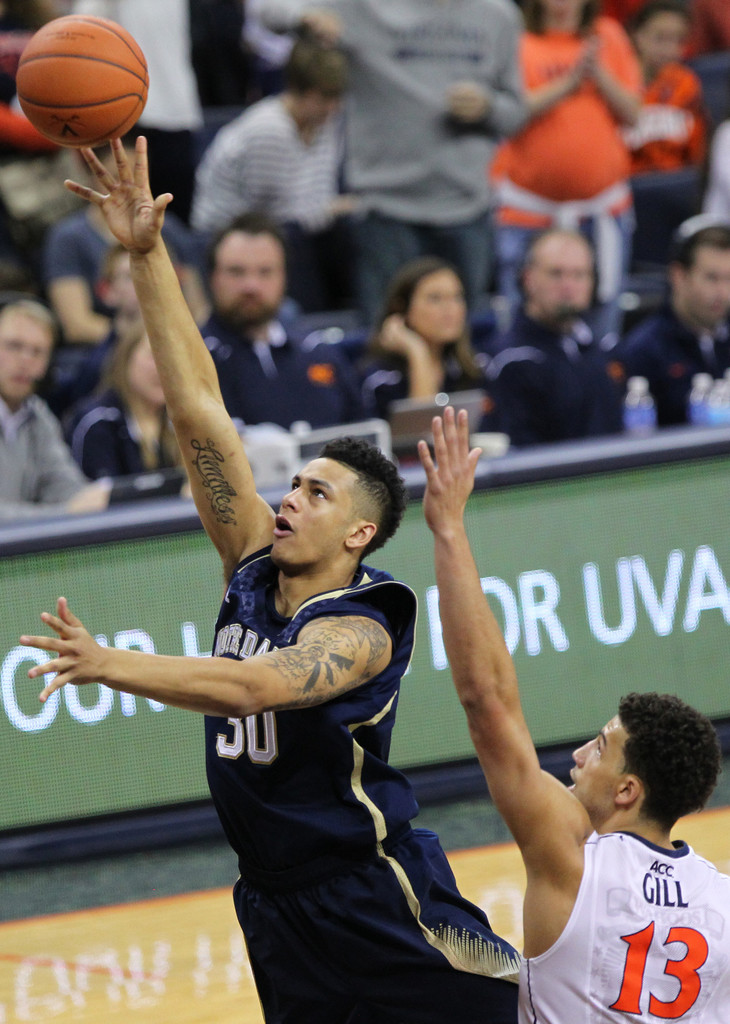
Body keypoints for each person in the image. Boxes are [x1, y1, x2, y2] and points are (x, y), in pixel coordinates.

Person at [20, 135, 522, 1023]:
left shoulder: (363, 625)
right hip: (273, 900)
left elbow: (255, 685)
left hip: (375, 897)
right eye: (293, 482)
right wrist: (147, 256)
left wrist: (109, 664)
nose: (289, 498)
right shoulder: (252, 560)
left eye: (316, 493)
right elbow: (198, 408)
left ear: (359, 531)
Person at [418, 404, 730, 1023]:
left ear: (627, 790)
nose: (577, 758)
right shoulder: (721, 900)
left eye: (600, 746)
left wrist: (449, 528)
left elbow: (487, 703)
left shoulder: (572, 860)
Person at [260, 0, 527, 324]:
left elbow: (516, 113)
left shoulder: (498, 15)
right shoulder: (364, 8)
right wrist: (306, 18)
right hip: (386, 210)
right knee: (386, 345)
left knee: (459, 347)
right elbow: (268, 12)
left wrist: (488, 107)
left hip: (466, 208)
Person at [489, 0, 642, 340]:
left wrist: (598, 73)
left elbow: (634, 112)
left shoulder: (607, 36)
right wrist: (569, 82)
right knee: (521, 321)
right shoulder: (516, 39)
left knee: (602, 327)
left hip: (601, 211)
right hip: (527, 213)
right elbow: (508, 115)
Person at [191, 38, 356, 313]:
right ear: (298, 91)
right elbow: (275, 211)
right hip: (229, 233)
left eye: (337, 98)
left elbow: (317, 196)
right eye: (324, 98)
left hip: (294, 228)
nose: (333, 108)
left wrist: (332, 209)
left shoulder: (327, 123)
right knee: (298, 235)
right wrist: (332, 209)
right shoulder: (268, 130)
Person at [200, 210, 364, 430]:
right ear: (212, 277)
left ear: (284, 277)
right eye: (236, 272)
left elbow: (366, 436)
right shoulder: (194, 361)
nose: (251, 286)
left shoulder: (319, 353)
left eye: (265, 272)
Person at [42, 139, 208, 346]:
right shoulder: (68, 237)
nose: (125, 186)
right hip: (106, 350)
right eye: (115, 175)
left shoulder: (168, 228)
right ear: (93, 176)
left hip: (172, 345)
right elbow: (77, 325)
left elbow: (198, 310)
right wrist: (141, 341)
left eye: (134, 176)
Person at [485, 228, 624, 446]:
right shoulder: (510, 361)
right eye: (556, 273)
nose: (568, 286)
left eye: (579, 274)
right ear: (528, 278)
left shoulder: (603, 350)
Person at [70, 0, 204, 224]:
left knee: (172, 227)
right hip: (127, 114)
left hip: (176, 112)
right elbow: (78, 30)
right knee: (122, 218)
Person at [0, 297, 110, 519]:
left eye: (38, 352)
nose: (25, 360)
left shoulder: (37, 414)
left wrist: (102, 498)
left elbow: (64, 486)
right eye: (14, 346)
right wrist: (63, 513)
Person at [615, 218, 730, 425]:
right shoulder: (643, 351)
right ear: (679, 276)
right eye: (712, 278)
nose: (722, 292)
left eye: (729, 279)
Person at [360, 256, 487, 421]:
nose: (451, 309)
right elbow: (422, 432)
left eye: (457, 297)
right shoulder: (380, 379)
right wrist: (417, 351)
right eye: (435, 298)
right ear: (402, 308)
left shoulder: (474, 367)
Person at [66, 326, 183, 481]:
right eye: (153, 356)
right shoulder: (99, 422)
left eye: (172, 359)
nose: (163, 368)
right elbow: (103, 495)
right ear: (126, 357)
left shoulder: (180, 422)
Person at [624, 0, 707, 174]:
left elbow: (697, 155)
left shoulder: (687, 84)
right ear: (637, 35)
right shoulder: (616, 83)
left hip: (676, 183)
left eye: (678, 40)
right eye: (660, 37)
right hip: (630, 184)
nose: (670, 49)